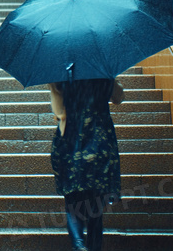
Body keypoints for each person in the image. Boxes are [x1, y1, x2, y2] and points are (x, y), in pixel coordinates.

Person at [49, 77, 124, 251]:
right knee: (96, 205)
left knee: (72, 199)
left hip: (69, 141)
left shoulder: (62, 75)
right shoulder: (102, 73)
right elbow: (118, 98)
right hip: (99, 140)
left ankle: (78, 244)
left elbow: (58, 110)